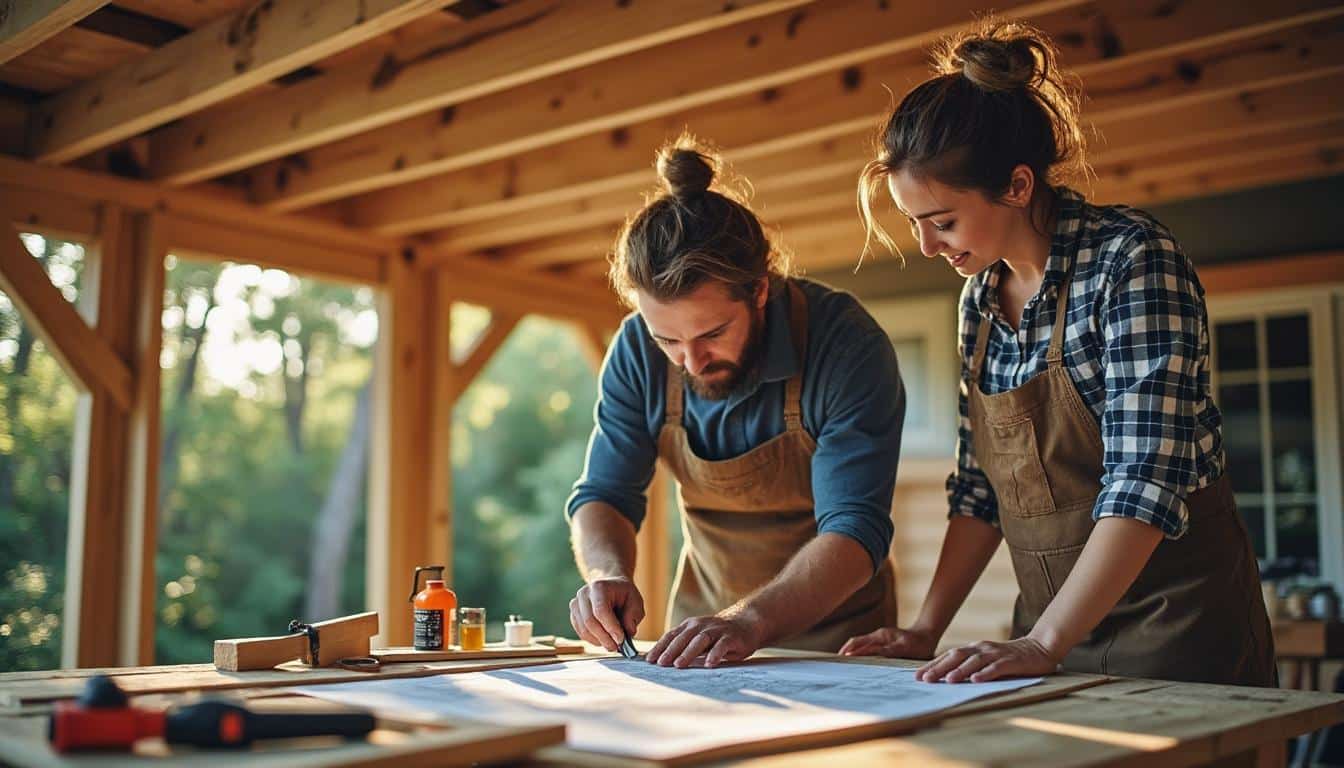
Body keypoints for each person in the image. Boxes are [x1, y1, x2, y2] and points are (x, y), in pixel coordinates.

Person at [840, 20, 1275, 686]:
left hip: (1177, 629)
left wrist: (1044, 642)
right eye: (915, 225)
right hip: (1047, 632)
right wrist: (926, 628)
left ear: (1017, 186)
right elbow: (980, 491)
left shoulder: (1131, 261)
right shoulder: (978, 301)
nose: (927, 247)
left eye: (944, 221)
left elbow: (1145, 481)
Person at [566, 138, 905, 668]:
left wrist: (750, 621)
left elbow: (854, 529)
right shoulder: (635, 349)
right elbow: (604, 494)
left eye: (712, 334)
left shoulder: (845, 344)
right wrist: (607, 573)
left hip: (840, 642)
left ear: (760, 291)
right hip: (700, 631)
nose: (691, 361)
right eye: (667, 340)